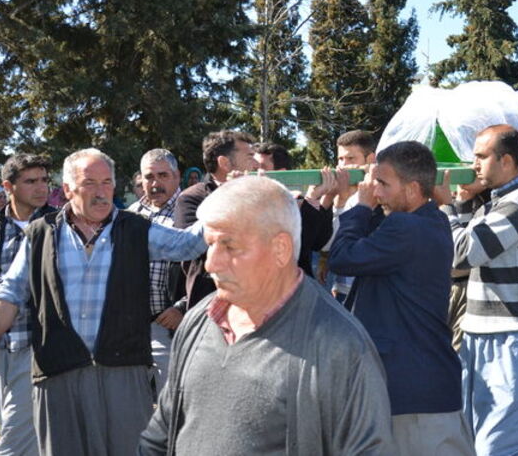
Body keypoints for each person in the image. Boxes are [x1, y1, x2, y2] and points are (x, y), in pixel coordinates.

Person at [139, 176, 394, 455]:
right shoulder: (199, 321)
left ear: (280, 249)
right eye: (210, 245)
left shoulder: (340, 345)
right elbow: (159, 436)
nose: (211, 263)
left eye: (229, 246)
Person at [0, 148, 208, 455]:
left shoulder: (135, 229)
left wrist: (225, 199)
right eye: (89, 183)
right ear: (67, 189)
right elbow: (9, 292)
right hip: (58, 374)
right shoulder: (41, 234)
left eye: (107, 182)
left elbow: (189, 245)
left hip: (123, 373)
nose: (101, 192)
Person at [329, 141, 473, 455]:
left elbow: (341, 256)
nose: (374, 191)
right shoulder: (431, 221)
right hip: (425, 388)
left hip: (411, 393)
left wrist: (360, 207)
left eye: (382, 183)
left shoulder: (405, 227)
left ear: (412, 189)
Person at [434, 124, 518, 455]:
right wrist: (465, 203)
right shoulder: (492, 205)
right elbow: (458, 263)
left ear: (507, 161)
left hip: (513, 335)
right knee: (475, 436)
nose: (473, 165)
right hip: (482, 333)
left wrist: (448, 206)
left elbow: (463, 252)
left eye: (481, 157)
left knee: (503, 443)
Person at [0, 154, 54, 456]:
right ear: (8, 187)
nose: (41, 188)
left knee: (13, 444)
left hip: (40, 346)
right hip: (0, 349)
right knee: (22, 433)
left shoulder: (58, 225)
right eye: (31, 181)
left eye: (44, 180)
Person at [174, 130, 258, 308]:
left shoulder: (258, 194)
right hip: (210, 304)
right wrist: (233, 195)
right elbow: (195, 249)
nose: (256, 163)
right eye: (249, 156)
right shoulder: (191, 198)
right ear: (224, 163)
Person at [126, 149, 185, 396]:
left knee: (172, 407)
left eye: (163, 175)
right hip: (132, 329)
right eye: (149, 176)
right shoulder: (130, 215)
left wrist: (183, 307)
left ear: (177, 176)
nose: (155, 183)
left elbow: (208, 271)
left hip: (173, 327)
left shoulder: (191, 212)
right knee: (130, 407)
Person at [252, 141, 334, 278]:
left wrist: (318, 198)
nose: (257, 173)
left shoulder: (298, 202)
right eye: (254, 168)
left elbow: (316, 243)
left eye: (262, 167)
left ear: (281, 173)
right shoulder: (244, 202)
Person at [323, 130, 381, 302]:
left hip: (370, 291)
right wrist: (339, 201)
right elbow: (330, 245)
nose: (343, 165)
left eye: (351, 159)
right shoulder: (338, 194)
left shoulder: (382, 194)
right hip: (342, 290)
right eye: (340, 159)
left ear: (370, 159)